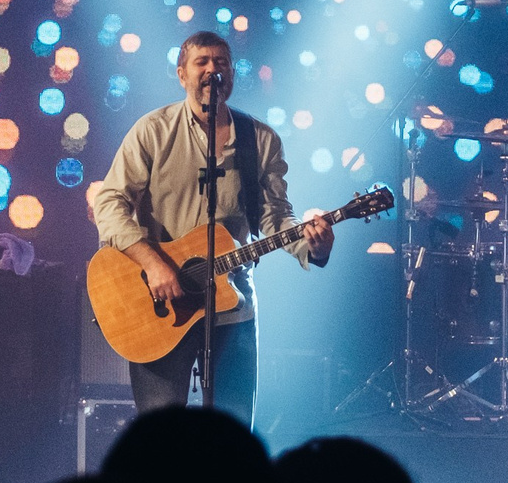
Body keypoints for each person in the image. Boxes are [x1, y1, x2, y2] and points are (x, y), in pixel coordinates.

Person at [90, 31, 334, 423]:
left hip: (233, 302)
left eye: (221, 62)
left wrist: (312, 245)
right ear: (181, 74)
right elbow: (110, 202)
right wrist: (153, 263)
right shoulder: (152, 130)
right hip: (161, 304)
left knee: (231, 435)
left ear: (232, 74)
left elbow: (274, 216)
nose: (212, 70)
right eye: (201, 62)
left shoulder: (260, 139)